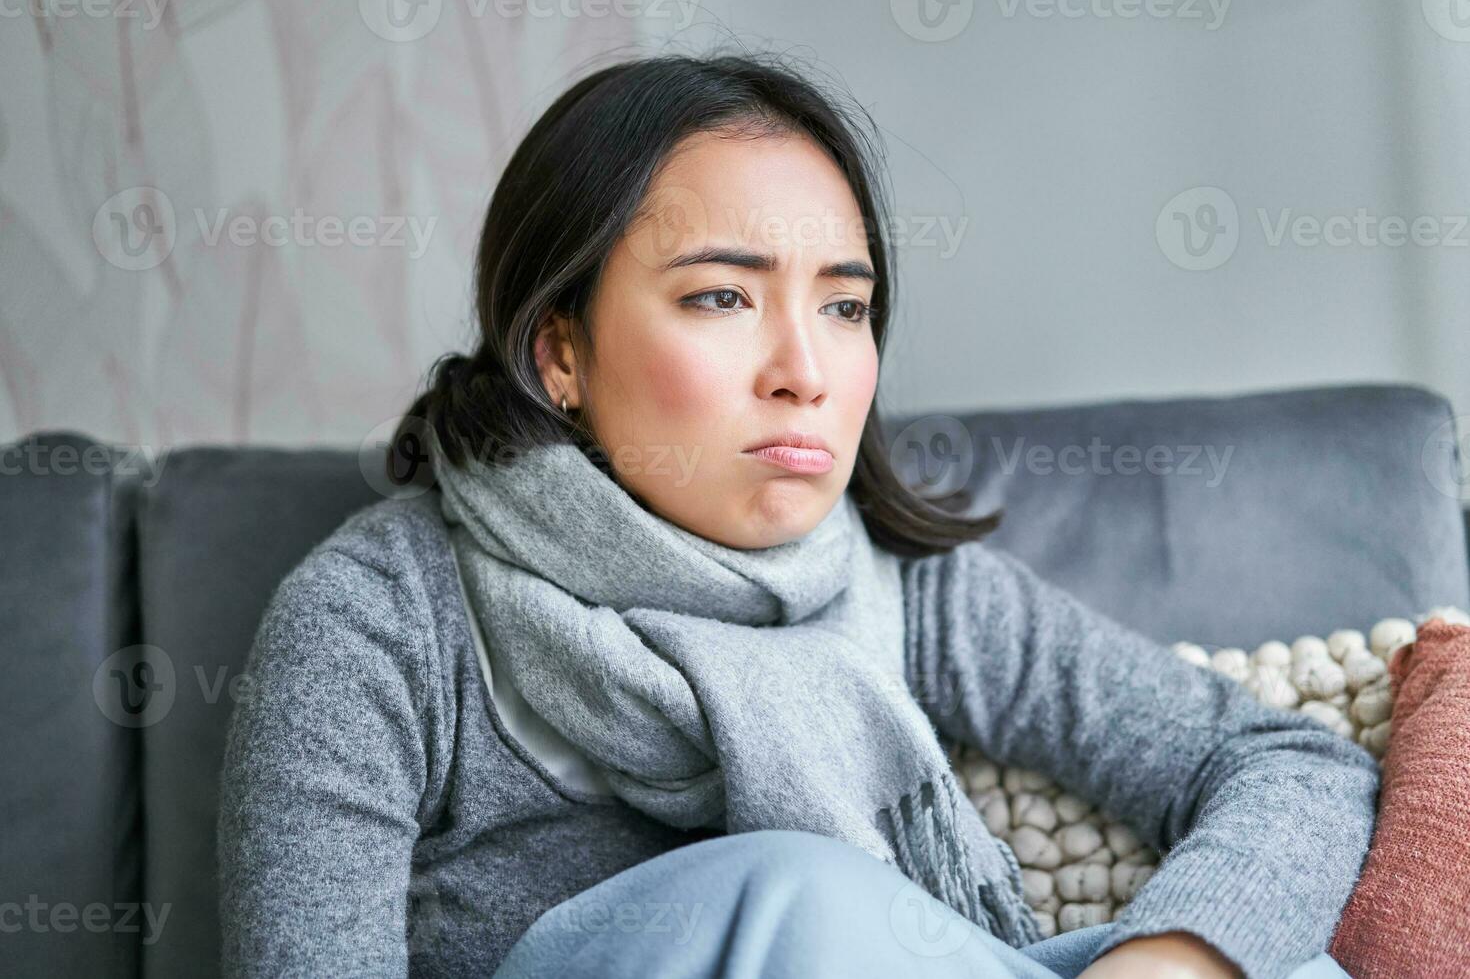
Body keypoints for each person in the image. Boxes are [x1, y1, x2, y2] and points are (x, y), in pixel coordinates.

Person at [216, 51, 1377, 979]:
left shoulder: (900, 584)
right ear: (558, 348)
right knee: (791, 892)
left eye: (845, 305)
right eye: (721, 296)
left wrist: (1177, 955)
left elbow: (1286, 760)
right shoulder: (377, 619)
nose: (804, 370)